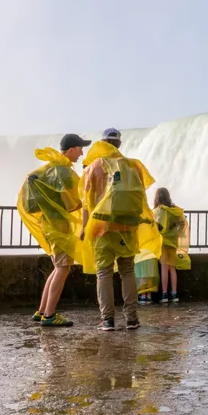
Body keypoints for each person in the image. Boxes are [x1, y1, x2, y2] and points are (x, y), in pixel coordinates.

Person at [80, 128, 162, 332]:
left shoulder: (94, 167)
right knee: (127, 271)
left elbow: (85, 201)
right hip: (128, 226)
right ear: (119, 144)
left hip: (102, 227)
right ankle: (132, 319)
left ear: (102, 143)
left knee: (104, 273)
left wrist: (83, 227)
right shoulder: (133, 166)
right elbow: (141, 199)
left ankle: (107, 319)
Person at [19, 133, 91, 328]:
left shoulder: (50, 169)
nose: (81, 152)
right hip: (58, 226)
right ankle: (49, 315)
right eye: (79, 148)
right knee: (62, 268)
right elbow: (75, 201)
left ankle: (41, 311)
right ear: (70, 149)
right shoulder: (63, 171)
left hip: (49, 225)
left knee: (57, 267)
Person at [152, 187, 190, 304]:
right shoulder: (175, 211)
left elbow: (155, 227)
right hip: (173, 242)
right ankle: (174, 293)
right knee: (172, 269)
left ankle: (164, 294)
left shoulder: (158, 211)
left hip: (163, 243)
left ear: (157, 198)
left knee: (164, 268)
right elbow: (182, 225)